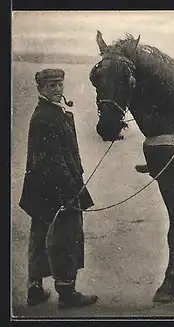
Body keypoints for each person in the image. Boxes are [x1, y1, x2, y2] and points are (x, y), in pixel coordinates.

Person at [18, 68, 98, 309]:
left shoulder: (51, 112)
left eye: (59, 84)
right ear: (40, 88)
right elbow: (52, 160)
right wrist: (71, 187)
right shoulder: (46, 116)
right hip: (57, 186)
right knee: (66, 236)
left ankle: (35, 288)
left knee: (41, 234)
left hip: (40, 188)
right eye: (51, 85)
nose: (56, 89)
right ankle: (66, 292)